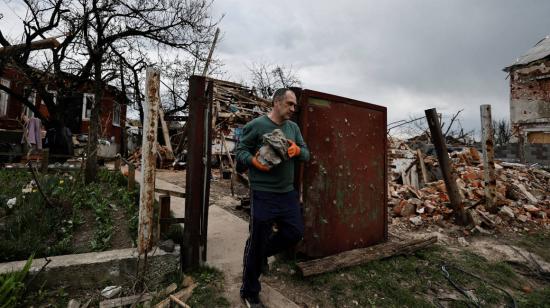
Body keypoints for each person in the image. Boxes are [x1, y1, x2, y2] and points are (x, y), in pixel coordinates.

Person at [236, 88, 310, 307]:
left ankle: (256, 254)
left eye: (295, 105)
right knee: (258, 239)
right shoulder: (257, 126)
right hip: (263, 192)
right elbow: (240, 151)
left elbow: (307, 153)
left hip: (287, 193)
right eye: (290, 104)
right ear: (277, 103)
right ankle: (249, 291)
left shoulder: (293, 128)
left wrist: (298, 151)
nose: (293, 108)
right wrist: (254, 162)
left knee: (294, 233)